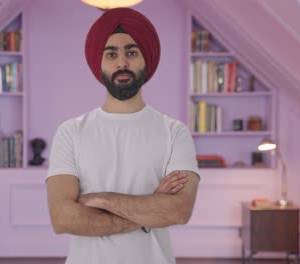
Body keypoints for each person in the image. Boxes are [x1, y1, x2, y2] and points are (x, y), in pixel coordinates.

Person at [46, 7, 200, 264]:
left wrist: (99, 200)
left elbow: (179, 211)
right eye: (111, 54)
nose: (121, 62)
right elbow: (63, 219)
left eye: (131, 52)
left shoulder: (174, 132)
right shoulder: (70, 132)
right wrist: (151, 207)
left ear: (145, 60)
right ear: (100, 62)